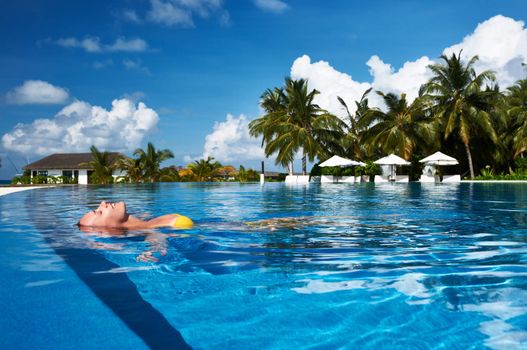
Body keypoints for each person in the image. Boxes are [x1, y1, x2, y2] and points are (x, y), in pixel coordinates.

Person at [78, 201, 193, 230]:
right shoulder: (173, 225)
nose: (103, 203)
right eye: (100, 212)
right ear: (110, 229)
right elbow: (156, 238)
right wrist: (155, 248)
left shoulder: (148, 224)